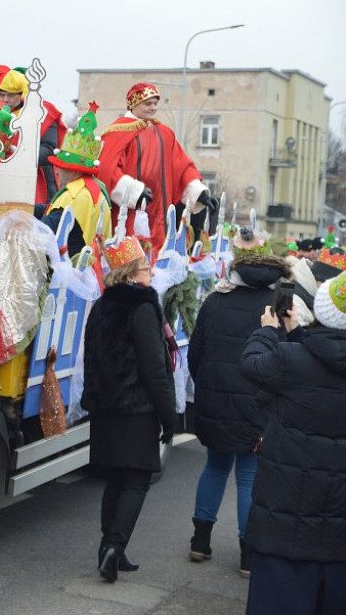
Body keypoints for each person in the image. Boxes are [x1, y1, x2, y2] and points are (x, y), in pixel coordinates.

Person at [238, 270, 346, 615]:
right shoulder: (297, 357)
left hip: (283, 527)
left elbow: (252, 364)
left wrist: (268, 331)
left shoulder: (291, 362)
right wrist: (297, 332)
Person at [186, 225, 286, 577]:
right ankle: (247, 555)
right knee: (248, 478)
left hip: (216, 402)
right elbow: (282, 360)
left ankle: (200, 541)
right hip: (257, 406)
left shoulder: (215, 301)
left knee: (215, 466)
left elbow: (194, 356)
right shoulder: (276, 305)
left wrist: (209, 388)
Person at [81, 232, 177, 582]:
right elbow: (154, 366)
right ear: (133, 272)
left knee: (117, 480)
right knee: (137, 481)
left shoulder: (102, 305)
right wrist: (170, 415)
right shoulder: (143, 307)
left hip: (106, 408)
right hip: (136, 410)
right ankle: (114, 546)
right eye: (146, 267)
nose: (151, 273)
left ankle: (110, 550)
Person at [97, 82, 219, 259]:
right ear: (133, 104)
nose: (153, 108)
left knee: (157, 258)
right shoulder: (116, 133)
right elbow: (107, 170)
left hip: (160, 210)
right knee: (131, 261)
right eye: (148, 104)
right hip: (130, 211)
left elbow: (181, 165)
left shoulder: (165, 133)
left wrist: (199, 193)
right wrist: (133, 191)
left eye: (155, 103)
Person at [40, 102, 113, 254]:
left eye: (61, 167)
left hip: (70, 268)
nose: (57, 171)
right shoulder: (96, 188)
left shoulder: (75, 194)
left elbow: (48, 227)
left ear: (73, 171)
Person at [0, 68, 67, 205]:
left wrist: (16, 152)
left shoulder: (44, 112)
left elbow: (48, 150)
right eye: (1, 95)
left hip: (34, 179)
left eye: (10, 95)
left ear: (22, 93)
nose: (5, 100)